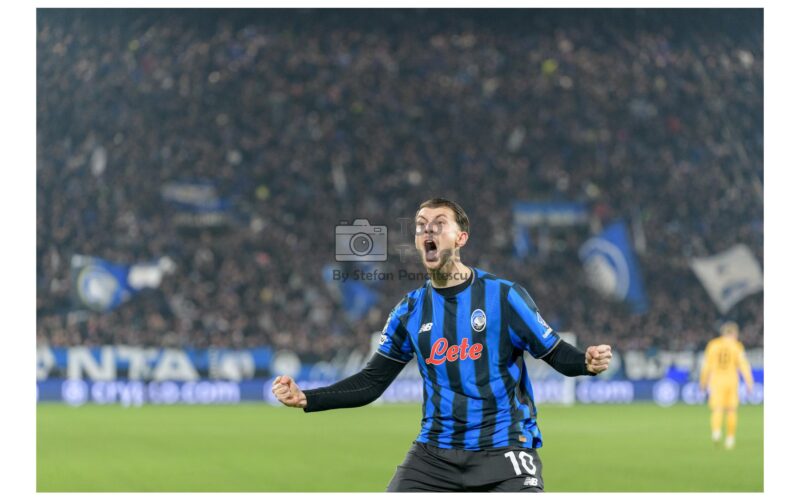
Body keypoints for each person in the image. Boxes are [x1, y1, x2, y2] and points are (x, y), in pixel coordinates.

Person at [272, 197, 613, 492]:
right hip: (434, 455)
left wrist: (586, 361)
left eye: (438, 224)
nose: (427, 232)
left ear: (461, 237)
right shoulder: (409, 311)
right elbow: (371, 382)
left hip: (504, 449)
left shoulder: (503, 297)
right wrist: (308, 398)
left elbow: (553, 351)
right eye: (421, 226)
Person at [699, 321, 754, 450]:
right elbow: (743, 365)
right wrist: (749, 382)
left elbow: (707, 366)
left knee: (717, 409)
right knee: (731, 410)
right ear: (734, 333)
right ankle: (730, 438)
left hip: (717, 381)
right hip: (731, 380)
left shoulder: (713, 345)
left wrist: (703, 382)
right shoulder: (737, 346)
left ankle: (716, 432)